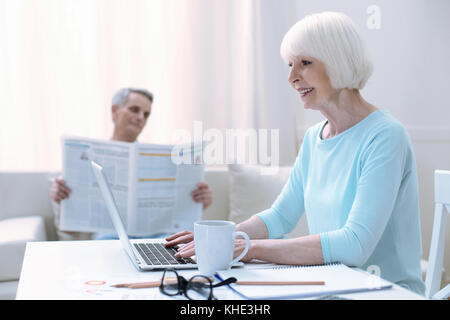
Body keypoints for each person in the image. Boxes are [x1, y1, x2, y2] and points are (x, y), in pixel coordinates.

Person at [165, 12, 425, 295]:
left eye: (305, 63)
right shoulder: (315, 138)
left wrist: (247, 249)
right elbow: (280, 217)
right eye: (290, 65)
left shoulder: (385, 135)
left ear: (339, 61)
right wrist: (221, 239)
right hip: (334, 287)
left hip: (384, 292)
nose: (292, 77)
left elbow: (355, 245)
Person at [50, 88, 212, 240]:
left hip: (159, 239)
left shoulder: (160, 159)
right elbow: (70, 231)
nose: (141, 117)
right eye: (134, 110)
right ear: (115, 111)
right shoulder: (88, 159)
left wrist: (196, 203)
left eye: (146, 114)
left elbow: (181, 223)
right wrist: (61, 201)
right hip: (110, 241)